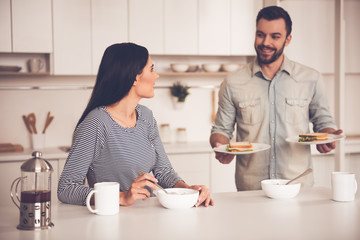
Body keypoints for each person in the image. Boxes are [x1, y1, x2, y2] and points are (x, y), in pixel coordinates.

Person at [58, 43, 213, 207]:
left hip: (148, 219)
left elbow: (164, 172)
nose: (157, 76)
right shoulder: (96, 123)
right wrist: (122, 197)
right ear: (134, 77)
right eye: (151, 69)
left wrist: (189, 191)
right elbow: (66, 188)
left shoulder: (146, 117)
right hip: (111, 222)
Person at [210, 6, 343, 191]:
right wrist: (220, 147)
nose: (265, 42)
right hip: (251, 189)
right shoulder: (233, 82)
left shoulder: (310, 78)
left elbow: (324, 122)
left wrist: (328, 137)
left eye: (275, 36)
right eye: (260, 34)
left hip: (298, 186)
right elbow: (221, 130)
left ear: (288, 39)